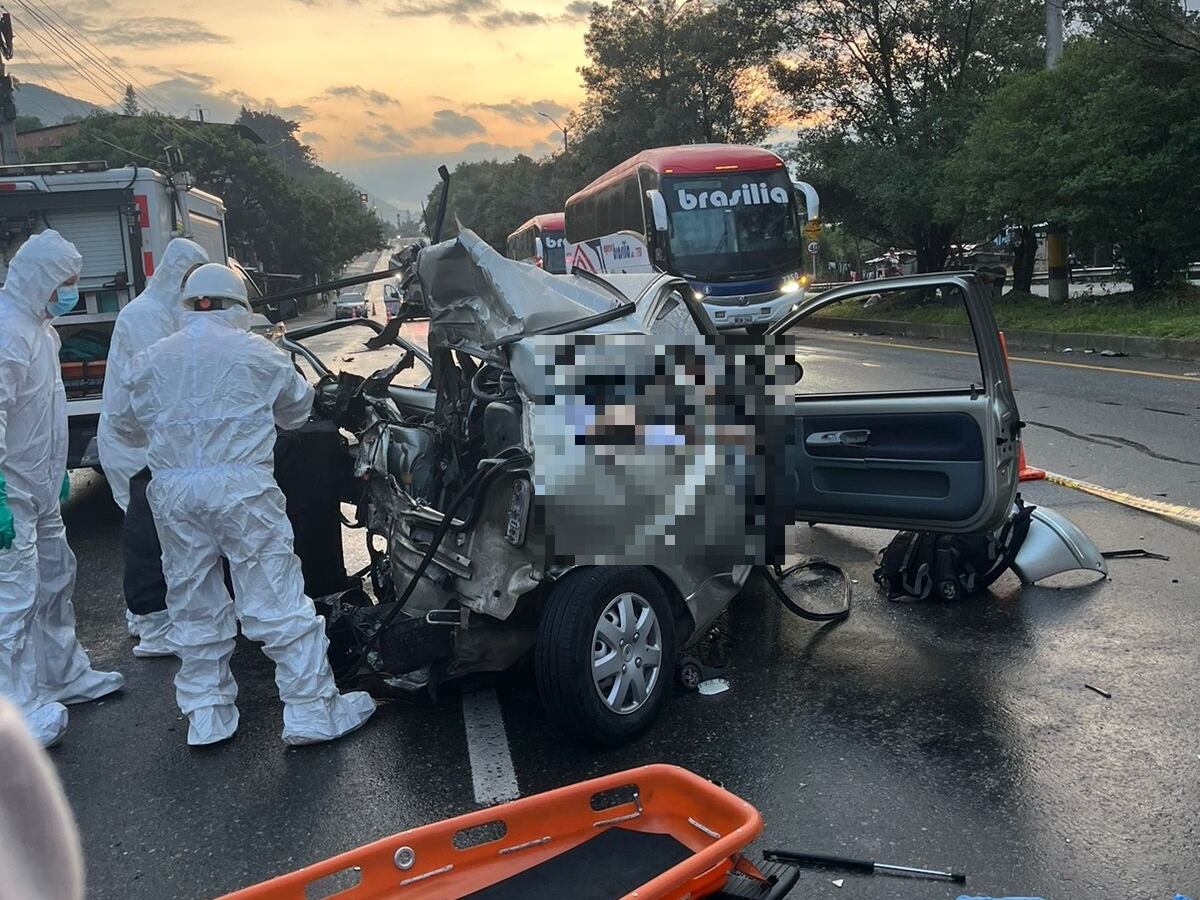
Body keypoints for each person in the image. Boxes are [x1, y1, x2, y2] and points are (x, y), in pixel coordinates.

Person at [108, 263, 375, 746]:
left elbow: (125, 427)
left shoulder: (150, 359)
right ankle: (311, 710)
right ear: (239, 306)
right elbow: (297, 412)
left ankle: (207, 715)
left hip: (173, 491)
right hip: (241, 489)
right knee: (275, 598)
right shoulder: (257, 352)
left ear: (188, 305)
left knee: (192, 601)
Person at [0, 230, 125, 747]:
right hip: (10, 493)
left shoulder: (40, 330)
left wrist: (53, 477)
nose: (69, 292)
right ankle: (14, 711)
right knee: (11, 602)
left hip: (38, 486)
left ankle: (62, 674)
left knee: (53, 582)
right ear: (39, 278)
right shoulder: (7, 334)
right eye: (64, 282)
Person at [97, 238, 209, 657]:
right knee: (148, 533)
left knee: (164, 532)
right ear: (177, 274)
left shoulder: (168, 311)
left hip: (154, 439)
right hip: (134, 443)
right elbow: (159, 381)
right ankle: (150, 622)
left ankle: (156, 616)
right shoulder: (144, 316)